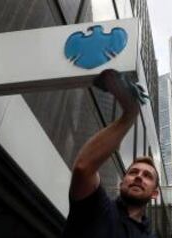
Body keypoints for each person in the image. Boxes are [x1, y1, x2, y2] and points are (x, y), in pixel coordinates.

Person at [62, 70, 159, 238]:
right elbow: (83, 168)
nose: (138, 177)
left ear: (154, 193)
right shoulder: (97, 208)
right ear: (122, 183)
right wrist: (130, 114)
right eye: (133, 172)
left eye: (147, 176)